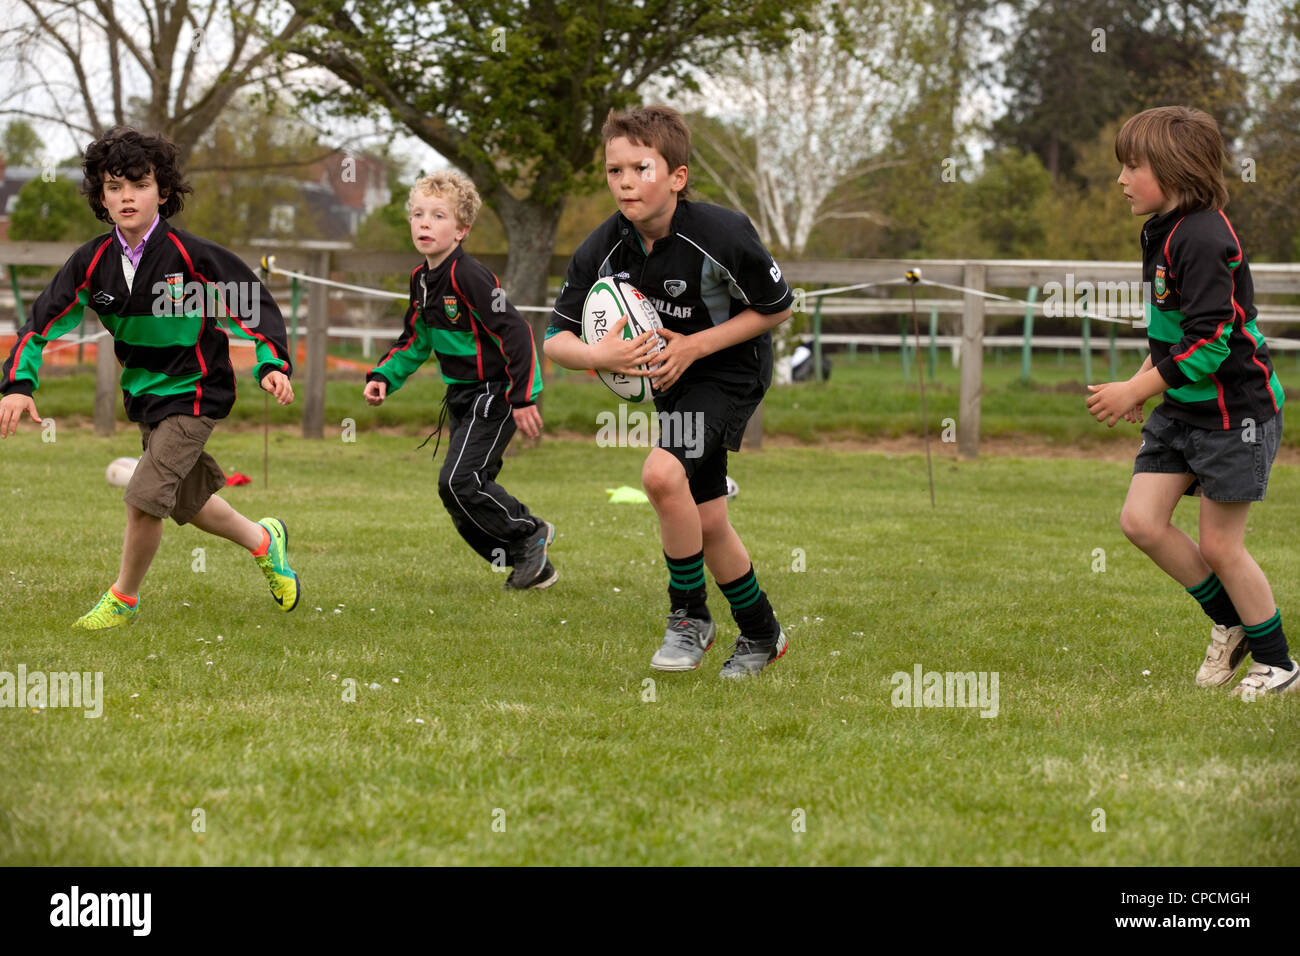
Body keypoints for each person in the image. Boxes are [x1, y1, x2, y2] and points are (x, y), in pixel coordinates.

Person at [0, 126, 299, 628]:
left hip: (197, 392)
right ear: (101, 196)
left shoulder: (193, 257)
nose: (126, 197)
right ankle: (265, 540)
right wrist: (17, 385)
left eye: (138, 185)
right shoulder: (91, 262)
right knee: (188, 502)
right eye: (114, 187)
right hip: (145, 396)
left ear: (162, 191)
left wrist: (272, 363)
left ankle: (123, 598)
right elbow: (41, 322)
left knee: (143, 500)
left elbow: (252, 303)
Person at [544, 105, 793, 678]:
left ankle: (689, 617)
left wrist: (693, 346)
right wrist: (598, 355)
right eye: (614, 171)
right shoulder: (604, 246)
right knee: (706, 520)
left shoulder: (722, 232)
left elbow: (778, 308)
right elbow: (556, 338)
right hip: (670, 380)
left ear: (677, 177)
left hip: (730, 371)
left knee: (660, 475)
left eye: (641, 168)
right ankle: (761, 634)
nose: (626, 182)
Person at [1087, 106, 1294, 697]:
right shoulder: (1162, 228)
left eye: (1133, 166)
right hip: (1182, 405)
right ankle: (1232, 623)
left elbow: (1209, 343)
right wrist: (1141, 377)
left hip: (1236, 414)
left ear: (1173, 170)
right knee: (1141, 522)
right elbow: (1176, 332)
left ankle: (1277, 665)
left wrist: (1137, 389)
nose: (1122, 180)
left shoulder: (1203, 237)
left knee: (1220, 545)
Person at [363, 171, 554, 589]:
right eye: (418, 214)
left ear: (462, 230)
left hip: (496, 393)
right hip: (462, 396)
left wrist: (523, 398)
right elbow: (415, 339)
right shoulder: (421, 280)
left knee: (459, 480)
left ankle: (529, 533)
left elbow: (516, 331)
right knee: (455, 491)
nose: (424, 223)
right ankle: (530, 562)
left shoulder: (469, 276)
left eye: (438, 215)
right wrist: (383, 375)